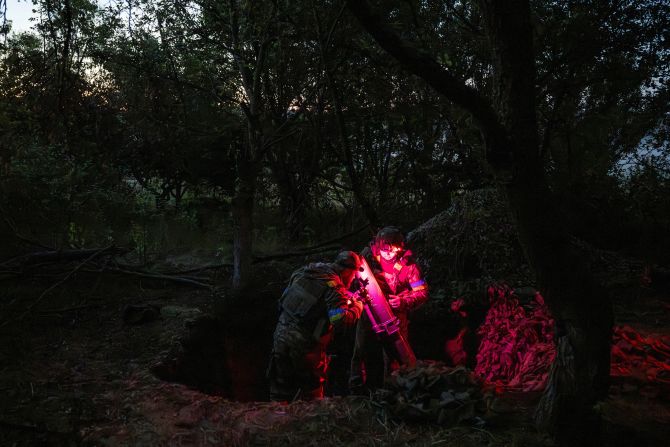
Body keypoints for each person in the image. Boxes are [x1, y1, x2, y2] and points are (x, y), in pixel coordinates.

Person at [268, 251, 365, 401]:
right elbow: (340, 320)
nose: (352, 280)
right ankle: (310, 422)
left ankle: (277, 420)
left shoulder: (307, 271)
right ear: (347, 271)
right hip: (304, 345)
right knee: (311, 391)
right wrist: (358, 306)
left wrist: (345, 298)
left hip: (281, 333)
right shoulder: (334, 288)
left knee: (281, 387)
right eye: (353, 275)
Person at [349, 226, 429, 393]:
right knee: (362, 351)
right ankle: (358, 391)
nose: (389, 253)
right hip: (368, 313)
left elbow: (421, 293)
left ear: (400, 247)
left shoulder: (409, 266)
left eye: (394, 249)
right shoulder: (366, 258)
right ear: (378, 246)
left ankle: (393, 392)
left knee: (394, 357)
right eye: (385, 249)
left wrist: (403, 301)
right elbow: (349, 278)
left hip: (396, 316)